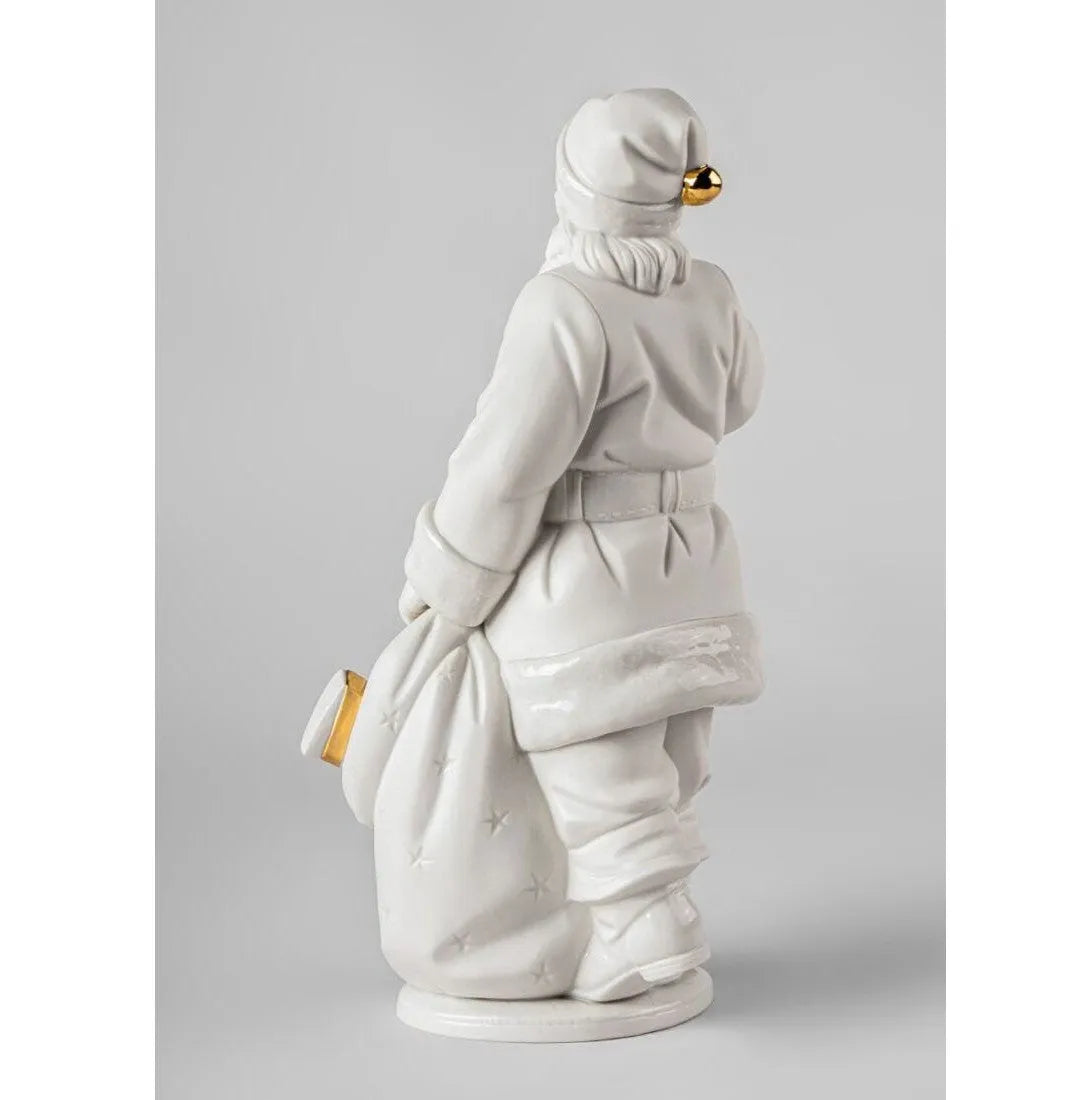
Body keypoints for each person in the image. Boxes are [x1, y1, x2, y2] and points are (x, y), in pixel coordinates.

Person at [399, 88, 765, 1003]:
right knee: (671, 755)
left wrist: (446, 578)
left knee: (599, 760)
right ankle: (634, 919)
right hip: (696, 564)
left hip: (595, 578)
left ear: (575, 190)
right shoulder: (713, 291)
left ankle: (643, 922)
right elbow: (741, 399)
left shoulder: (562, 304)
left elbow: (505, 465)